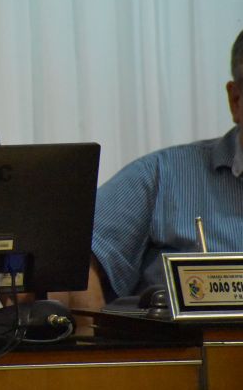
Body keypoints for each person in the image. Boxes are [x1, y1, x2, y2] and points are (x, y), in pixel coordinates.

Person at [79, 29, 243, 309]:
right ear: (236, 100)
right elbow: (70, 255)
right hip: (191, 338)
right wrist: (87, 330)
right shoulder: (163, 176)